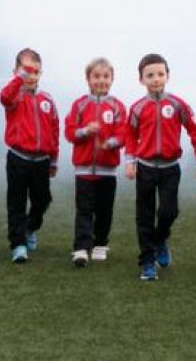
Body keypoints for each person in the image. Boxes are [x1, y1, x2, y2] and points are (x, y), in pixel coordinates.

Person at [124, 53, 196, 281]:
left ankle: (160, 239)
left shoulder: (178, 105)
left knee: (169, 212)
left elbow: (194, 131)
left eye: (160, 74)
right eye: (150, 75)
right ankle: (147, 262)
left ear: (168, 76)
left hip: (171, 168)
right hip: (145, 169)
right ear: (141, 79)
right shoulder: (138, 108)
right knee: (144, 216)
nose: (156, 79)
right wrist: (130, 161)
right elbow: (129, 135)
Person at [64, 58, 127, 267]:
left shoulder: (117, 106)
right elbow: (69, 132)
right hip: (83, 171)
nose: (101, 81)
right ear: (88, 79)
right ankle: (81, 248)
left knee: (104, 210)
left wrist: (111, 143)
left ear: (112, 79)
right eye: (96, 76)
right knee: (84, 209)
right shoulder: (80, 104)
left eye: (105, 76)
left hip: (107, 171)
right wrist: (85, 131)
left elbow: (123, 134)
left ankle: (100, 244)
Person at [0, 48, 60, 263]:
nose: (30, 76)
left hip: (42, 161)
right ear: (15, 72)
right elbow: (4, 97)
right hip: (17, 158)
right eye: (25, 71)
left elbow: (54, 130)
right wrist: (19, 79)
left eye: (35, 72)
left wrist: (53, 159)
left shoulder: (47, 99)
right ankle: (17, 244)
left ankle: (29, 228)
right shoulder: (14, 96)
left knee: (43, 199)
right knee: (16, 202)